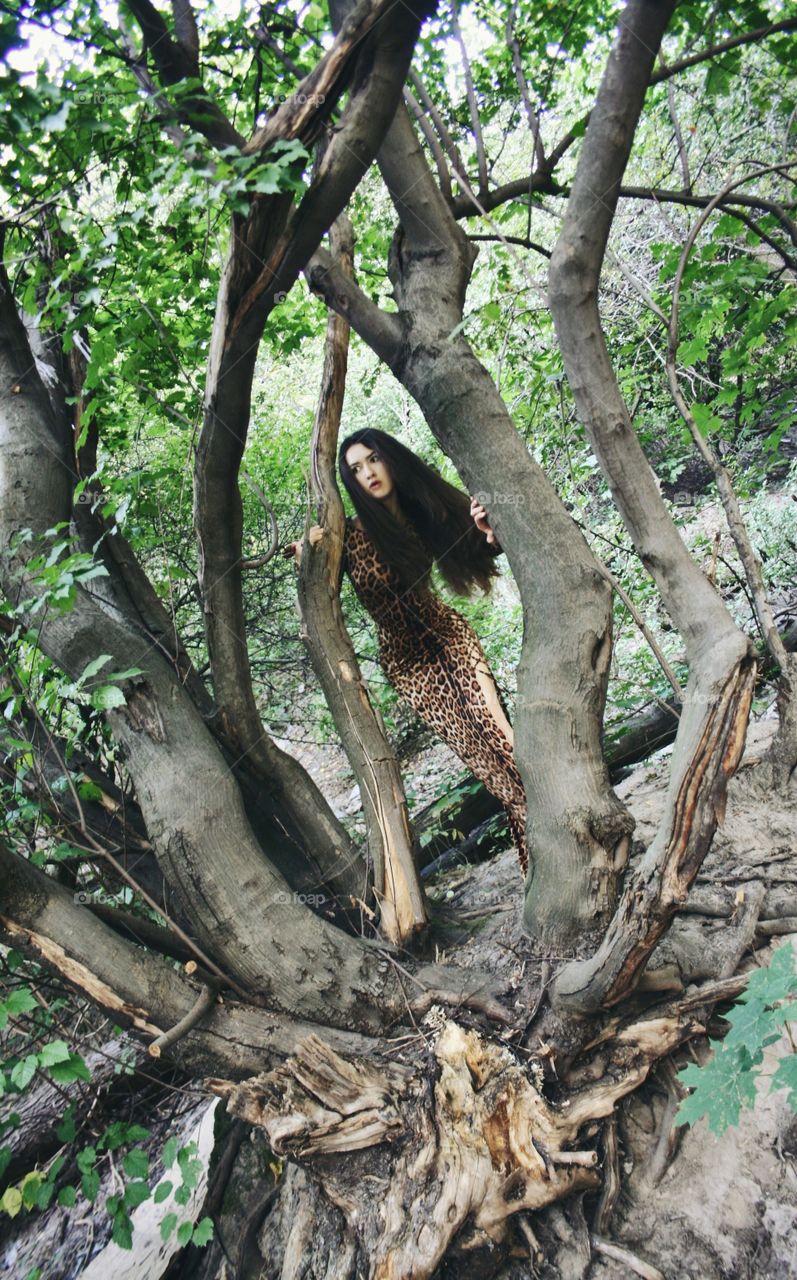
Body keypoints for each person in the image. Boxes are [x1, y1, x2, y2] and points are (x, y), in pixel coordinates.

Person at [283, 428, 529, 877]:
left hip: (448, 637)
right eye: (355, 470)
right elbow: (319, 579)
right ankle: (538, 847)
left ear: (389, 458)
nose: (367, 473)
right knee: (483, 759)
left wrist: (487, 530)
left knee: (503, 738)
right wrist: (309, 552)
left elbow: (476, 548)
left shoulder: (422, 511)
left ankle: (549, 828)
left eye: (372, 460)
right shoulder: (349, 537)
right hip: (408, 664)